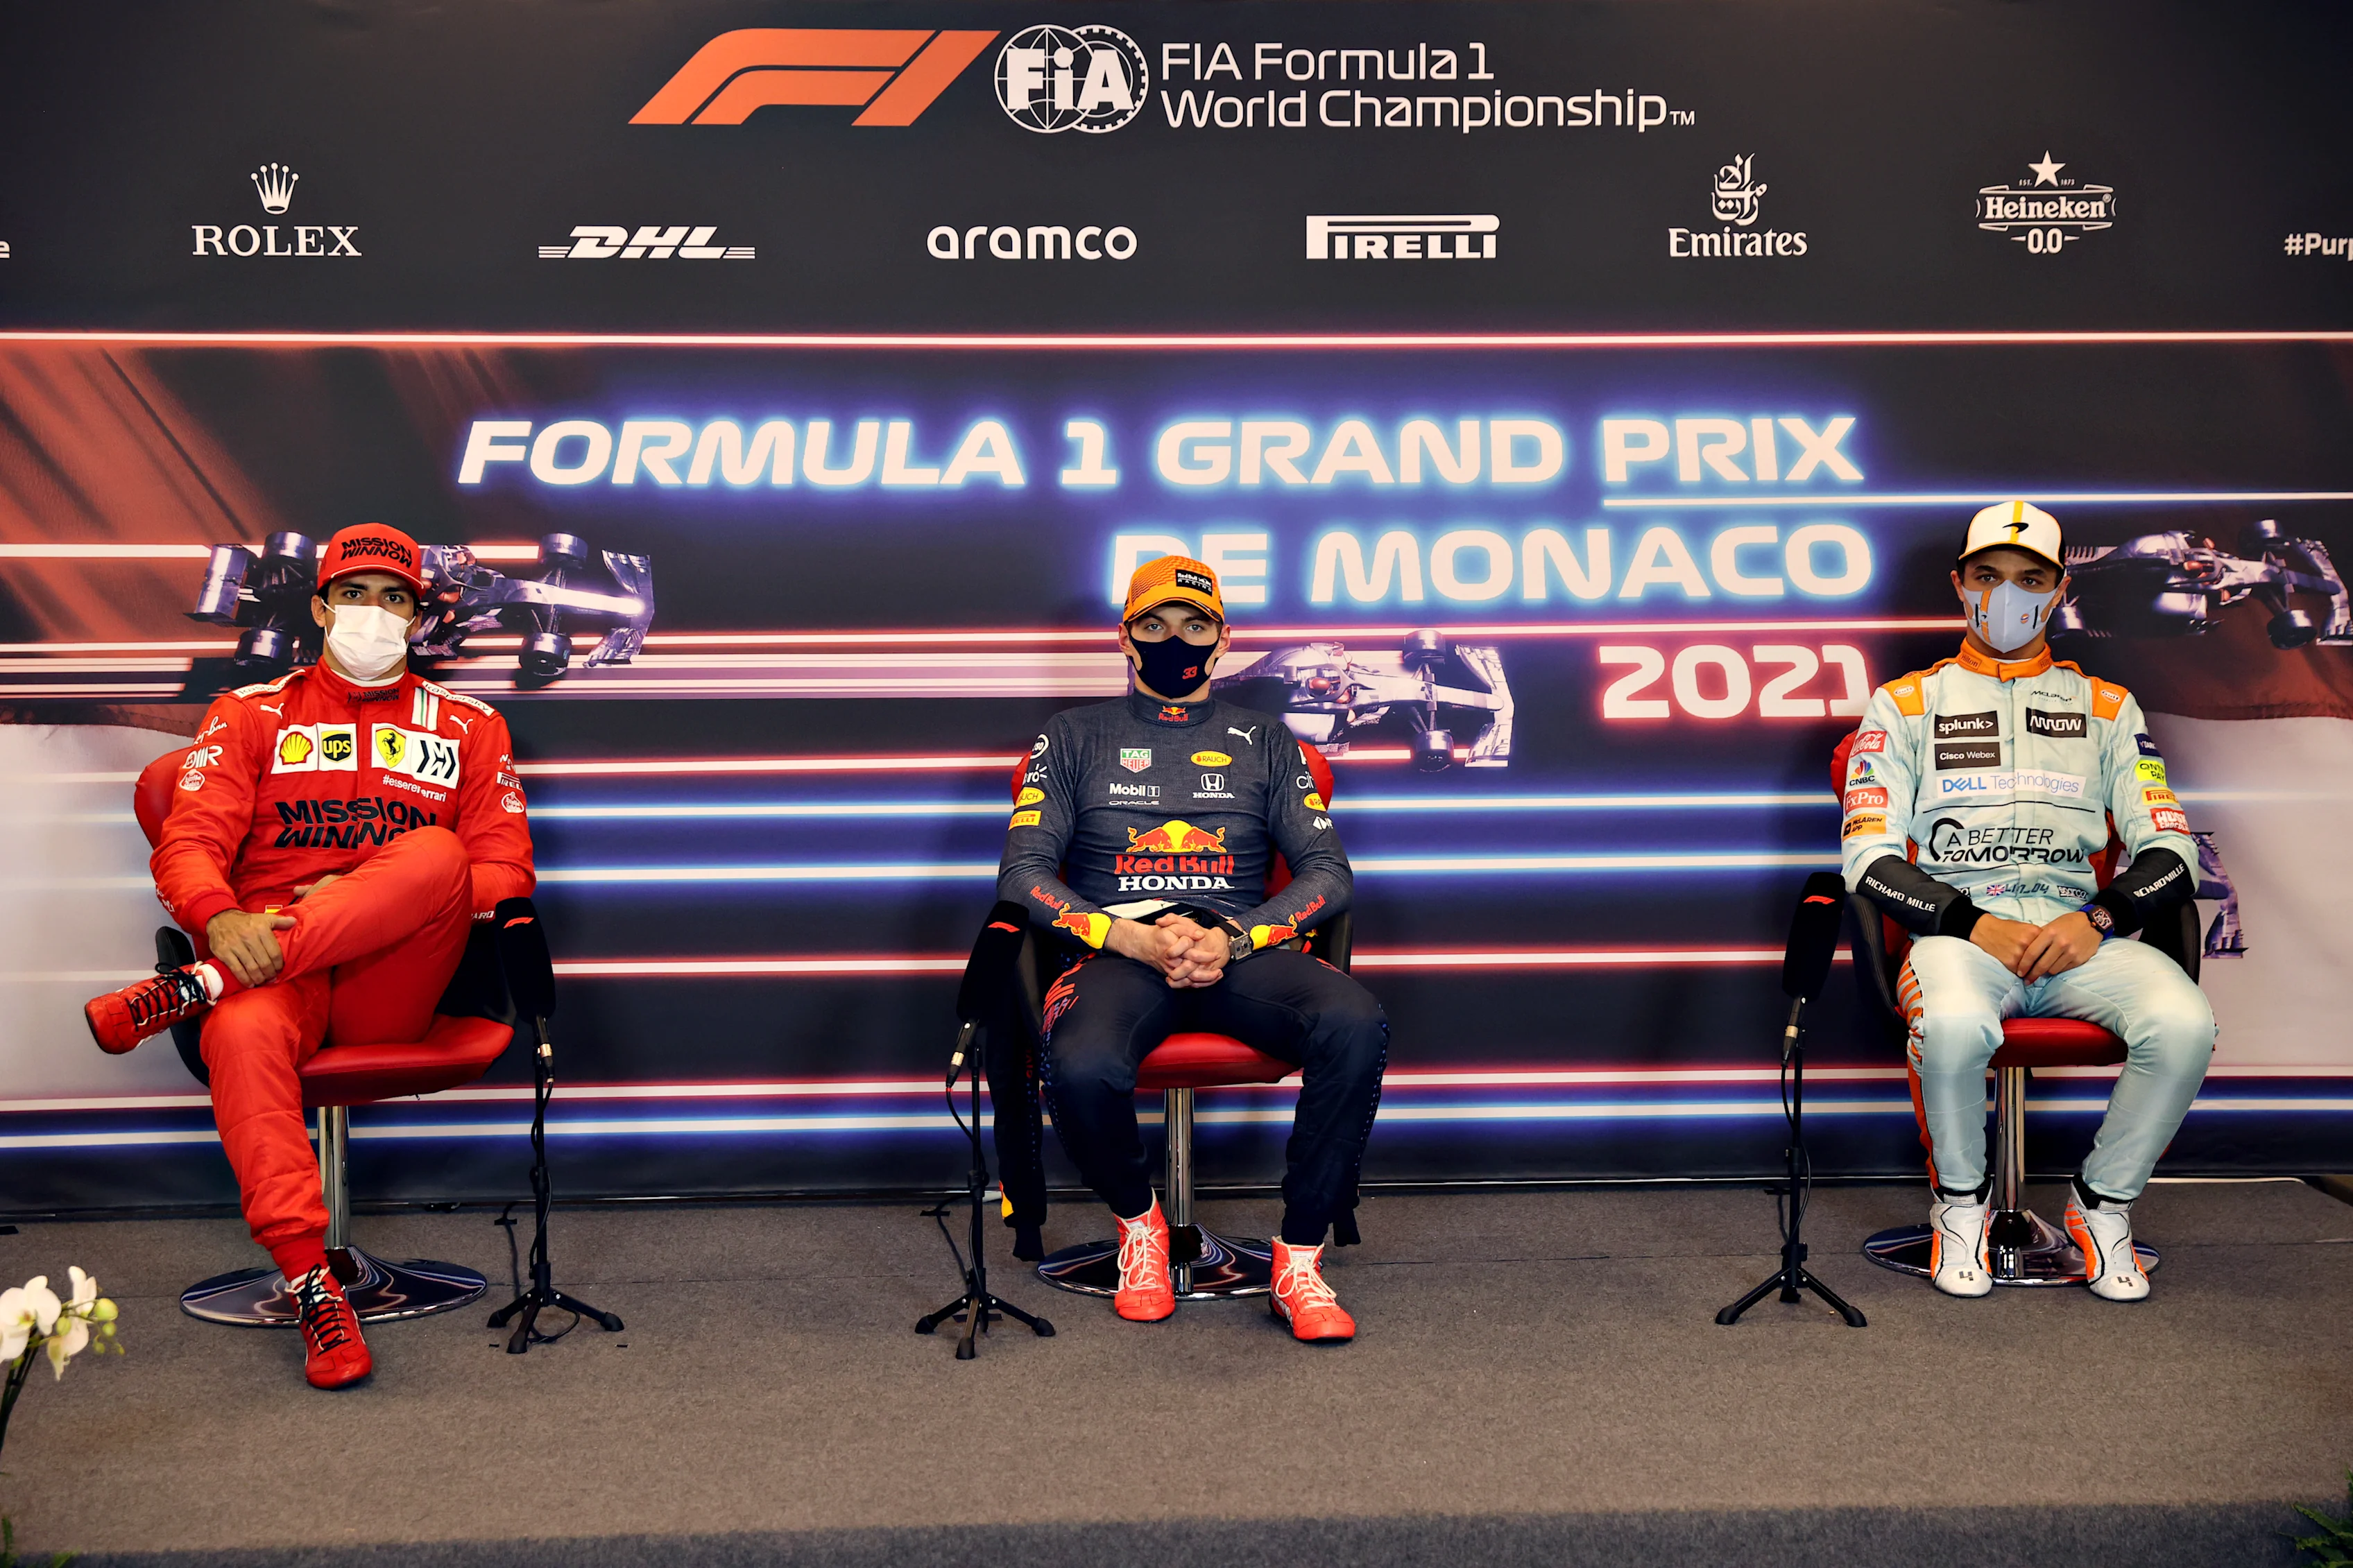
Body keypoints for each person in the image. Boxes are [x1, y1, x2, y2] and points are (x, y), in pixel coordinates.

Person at [83, 524, 535, 1387]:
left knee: (436, 855)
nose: (374, 613)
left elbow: (503, 871)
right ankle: (310, 1282)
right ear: (322, 607)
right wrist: (219, 922)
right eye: (356, 595)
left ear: (418, 617)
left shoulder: (472, 724)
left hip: (390, 974)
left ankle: (193, 988)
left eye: (394, 598)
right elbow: (188, 844)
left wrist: (365, 902)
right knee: (242, 1032)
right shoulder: (249, 712)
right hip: (261, 968)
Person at [998, 555, 1387, 1342]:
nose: (1174, 639)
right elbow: (1023, 873)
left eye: (1194, 624)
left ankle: (1299, 1256)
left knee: (1354, 1020)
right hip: (1118, 950)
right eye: (1153, 623)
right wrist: (1129, 936)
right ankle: (1140, 1226)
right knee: (1078, 1063)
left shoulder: (1267, 740)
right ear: (1124, 636)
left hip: (1237, 947)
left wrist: (1232, 936)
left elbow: (1327, 873)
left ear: (1222, 640)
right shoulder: (1070, 736)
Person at [1842, 501, 2216, 1302]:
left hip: (2081, 940)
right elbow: (1866, 857)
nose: (2005, 595)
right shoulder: (1901, 704)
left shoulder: (2108, 708)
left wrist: (2098, 920)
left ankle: (2100, 1208)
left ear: (2057, 590)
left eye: (2028, 579)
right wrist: (1975, 923)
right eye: (1986, 576)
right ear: (1958, 585)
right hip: (1958, 940)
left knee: (2184, 1021)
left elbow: (2171, 848)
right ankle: (1960, 1210)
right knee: (1948, 1023)